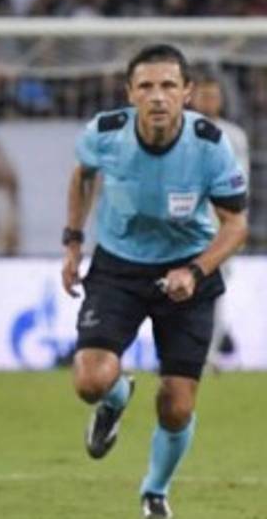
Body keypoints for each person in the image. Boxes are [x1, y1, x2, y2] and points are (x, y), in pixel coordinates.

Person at [61, 45, 248, 519]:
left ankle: (155, 492)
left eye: (168, 85)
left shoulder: (210, 145)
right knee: (90, 381)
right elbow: (82, 175)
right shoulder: (105, 133)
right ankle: (115, 399)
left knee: (176, 406)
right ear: (130, 93)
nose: (158, 96)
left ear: (186, 93)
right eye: (146, 86)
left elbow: (236, 225)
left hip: (188, 270)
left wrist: (196, 271)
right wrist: (73, 242)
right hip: (119, 268)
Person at [189, 78, 250, 369]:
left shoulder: (234, 136)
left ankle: (208, 353)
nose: (209, 101)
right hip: (185, 225)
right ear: (192, 97)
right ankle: (179, 351)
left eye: (213, 96)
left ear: (221, 100)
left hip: (220, 227)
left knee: (214, 292)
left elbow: (241, 182)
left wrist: (239, 224)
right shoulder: (182, 130)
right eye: (204, 95)